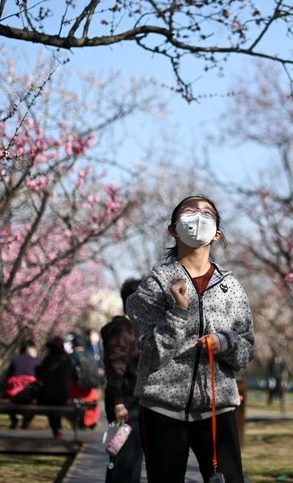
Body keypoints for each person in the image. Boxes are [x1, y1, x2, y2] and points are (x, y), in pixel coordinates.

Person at [128, 195, 255, 483]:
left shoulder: (232, 287)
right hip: (161, 410)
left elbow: (247, 349)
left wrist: (226, 343)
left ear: (217, 233)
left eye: (207, 213)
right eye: (189, 210)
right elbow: (151, 352)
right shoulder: (155, 284)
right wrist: (179, 313)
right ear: (173, 229)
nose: (198, 215)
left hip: (217, 409)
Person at [101, 277, 144, 483]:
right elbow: (114, 368)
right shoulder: (121, 330)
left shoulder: (131, 328)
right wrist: (118, 402)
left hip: (133, 401)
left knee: (131, 459)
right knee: (123, 461)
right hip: (125, 404)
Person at [36, 335, 74, 439]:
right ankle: (57, 429)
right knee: (56, 410)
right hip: (62, 396)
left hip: (47, 395)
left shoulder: (48, 359)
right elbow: (73, 376)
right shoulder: (68, 360)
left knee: (51, 409)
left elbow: (39, 375)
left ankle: (56, 430)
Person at [5, 339, 40, 429]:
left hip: (14, 392)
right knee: (36, 401)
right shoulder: (36, 361)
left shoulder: (15, 360)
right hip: (29, 393)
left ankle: (14, 420)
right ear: (29, 349)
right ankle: (26, 420)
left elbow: (8, 375)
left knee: (10, 403)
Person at [69, 332, 101, 429]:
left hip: (75, 393)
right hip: (91, 393)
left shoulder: (71, 357)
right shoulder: (91, 356)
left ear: (73, 344)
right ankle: (90, 421)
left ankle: (79, 422)